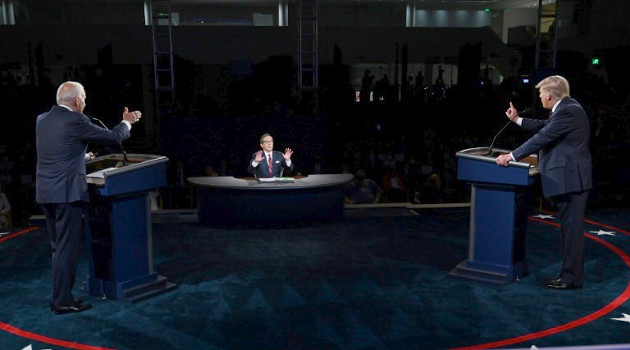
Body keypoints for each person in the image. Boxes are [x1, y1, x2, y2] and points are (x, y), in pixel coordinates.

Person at [36, 81, 142, 314]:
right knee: (67, 250)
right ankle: (62, 302)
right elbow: (114, 137)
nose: (85, 101)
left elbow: (55, 151)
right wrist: (127, 121)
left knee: (58, 248)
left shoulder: (42, 119)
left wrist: (80, 158)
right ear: (76, 100)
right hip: (66, 194)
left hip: (46, 192)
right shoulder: (77, 119)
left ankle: (59, 297)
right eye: (84, 97)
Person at [496, 75, 592, 290]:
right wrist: (517, 120)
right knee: (569, 231)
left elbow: (543, 136)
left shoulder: (568, 110)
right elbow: (544, 125)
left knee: (572, 232)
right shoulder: (567, 107)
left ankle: (571, 279)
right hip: (571, 180)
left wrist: (512, 156)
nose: (540, 97)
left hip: (571, 181)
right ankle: (570, 276)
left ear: (549, 95)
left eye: (540, 94)